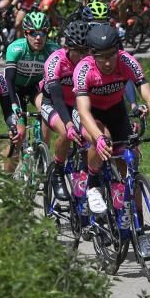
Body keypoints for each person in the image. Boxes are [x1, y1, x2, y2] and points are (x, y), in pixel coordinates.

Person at [73, 23, 150, 259]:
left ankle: (138, 231)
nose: (108, 62)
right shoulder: (83, 69)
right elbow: (83, 111)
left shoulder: (127, 62)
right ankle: (93, 183)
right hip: (90, 115)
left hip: (116, 111)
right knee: (104, 139)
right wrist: (97, 138)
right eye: (101, 57)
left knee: (130, 167)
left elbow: (149, 95)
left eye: (112, 55)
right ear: (92, 55)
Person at [40, 20, 92, 200]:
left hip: (76, 104)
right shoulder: (55, 61)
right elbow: (57, 98)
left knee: (88, 133)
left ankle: (87, 175)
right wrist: (69, 124)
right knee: (65, 132)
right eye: (79, 51)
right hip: (52, 104)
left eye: (86, 51)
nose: (83, 56)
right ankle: (58, 171)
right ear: (68, 47)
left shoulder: (89, 61)